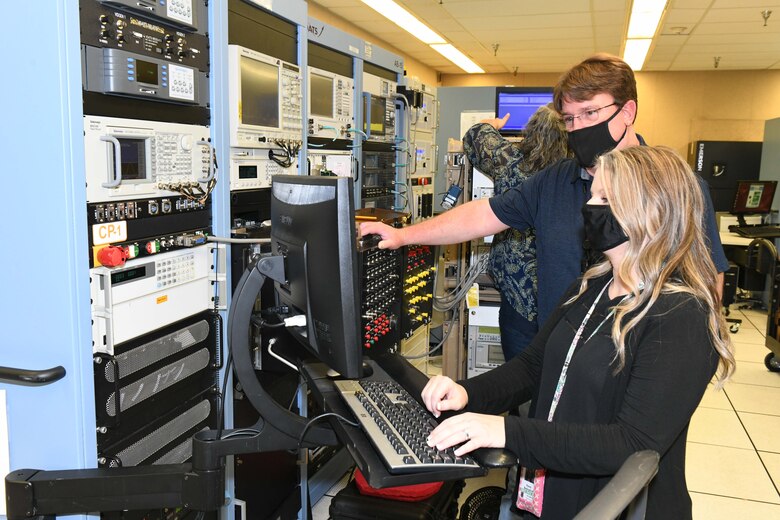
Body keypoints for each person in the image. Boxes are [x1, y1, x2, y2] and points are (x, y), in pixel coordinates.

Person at [420, 145, 736, 519]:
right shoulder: (592, 286)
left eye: (603, 198)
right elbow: (533, 367)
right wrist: (467, 393)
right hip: (556, 484)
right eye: (591, 194)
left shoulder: (681, 315)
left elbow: (631, 442)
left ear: (649, 211)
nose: (588, 206)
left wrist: (507, 432)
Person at [360, 54, 729, 331]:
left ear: (628, 111)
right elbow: (483, 214)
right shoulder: (555, 180)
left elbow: (707, 279)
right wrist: (403, 236)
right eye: (569, 118)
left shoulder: (679, 188)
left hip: (635, 356)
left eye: (590, 113)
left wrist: (700, 351)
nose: (578, 127)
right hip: (557, 345)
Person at [463, 105, 571, 360]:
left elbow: (475, 135)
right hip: (565, 295)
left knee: (518, 369)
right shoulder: (576, 172)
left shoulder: (509, 161)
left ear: (530, 132)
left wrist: (494, 124)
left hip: (517, 293)